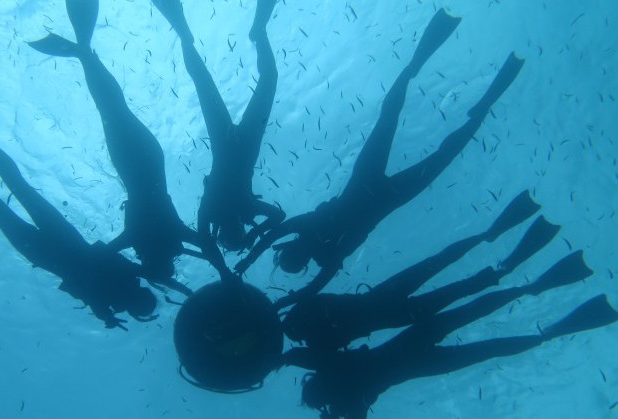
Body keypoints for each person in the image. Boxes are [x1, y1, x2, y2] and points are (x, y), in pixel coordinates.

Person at [236, 9, 526, 308]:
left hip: (382, 194)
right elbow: (275, 242)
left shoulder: (321, 247)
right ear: (296, 254)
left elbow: (300, 273)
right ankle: (448, 78)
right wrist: (249, 264)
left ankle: (468, 93)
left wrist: (273, 293)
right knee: (397, 122)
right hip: (372, 185)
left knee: (434, 149)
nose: (296, 256)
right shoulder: (315, 239)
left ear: (296, 257)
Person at [0, 72, 156, 329]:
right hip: (53, 249)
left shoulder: (119, 288)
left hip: (57, 245)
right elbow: (99, 262)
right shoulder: (124, 282)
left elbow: (99, 264)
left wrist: (106, 311)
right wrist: (107, 308)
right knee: (5, 200)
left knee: (16, 192)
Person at [28, 0, 237, 287]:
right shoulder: (142, 239)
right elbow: (101, 254)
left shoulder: (169, 236)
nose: (140, 259)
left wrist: (224, 275)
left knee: (114, 109)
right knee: (112, 110)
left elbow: (205, 246)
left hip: (148, 160)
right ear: (150, 263)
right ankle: (84, 53)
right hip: (133, 163)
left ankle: (85, 53)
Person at [284, 281, 616, 418]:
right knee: (472, 314)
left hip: (420, 364)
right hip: (411, 342)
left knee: (487, 349)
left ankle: (546, 332)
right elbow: (304, 357)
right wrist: (284, 357)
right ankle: (527, 288)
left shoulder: (344, 401)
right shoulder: (331, 372)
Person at [283, 193, 568, 351]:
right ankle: (488, 238)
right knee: (441, 263)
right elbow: (316, 295)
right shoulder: (309, 312)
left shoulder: (316, 339)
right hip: (386, 296)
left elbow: (343, 351)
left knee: (458, 287)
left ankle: (499, 263)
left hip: (395, 313)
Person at [152, 0, 285, 252]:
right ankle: (259, 31)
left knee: (204, 82)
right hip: (244, 144)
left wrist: (251, 237)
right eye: (241, 234)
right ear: (241, 232)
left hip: (227, 145)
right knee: (265, 79)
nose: (237, 230)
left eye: (233, 236)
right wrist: (253, 236)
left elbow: (204, 238)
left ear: (224, 234)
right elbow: (280, 216)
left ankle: (183, 32)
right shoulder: (243, 210)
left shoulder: (214, 211)